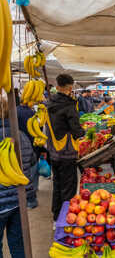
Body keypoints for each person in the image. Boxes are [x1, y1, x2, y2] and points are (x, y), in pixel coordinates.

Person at [0, 96, 36, 258]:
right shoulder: (19, 135)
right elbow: (30, 163)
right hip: (16, 202)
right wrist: (29, 195)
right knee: (18, 245)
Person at [46, 74, 85, 227]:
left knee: (57, 183)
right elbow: (76, 131)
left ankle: (56, 216)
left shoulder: (50, 102)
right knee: (68, 186)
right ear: (70, 87)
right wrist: (82, 132)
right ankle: (65, 220)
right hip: (67, 152)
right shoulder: (69, 105)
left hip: (54, 151)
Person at [16, 103, 39, 209]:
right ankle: (32, 197)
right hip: (30, 144)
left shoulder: (16, 112)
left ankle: (30, 197)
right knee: (31, 171)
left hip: (23, 145)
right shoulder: (32, 112)